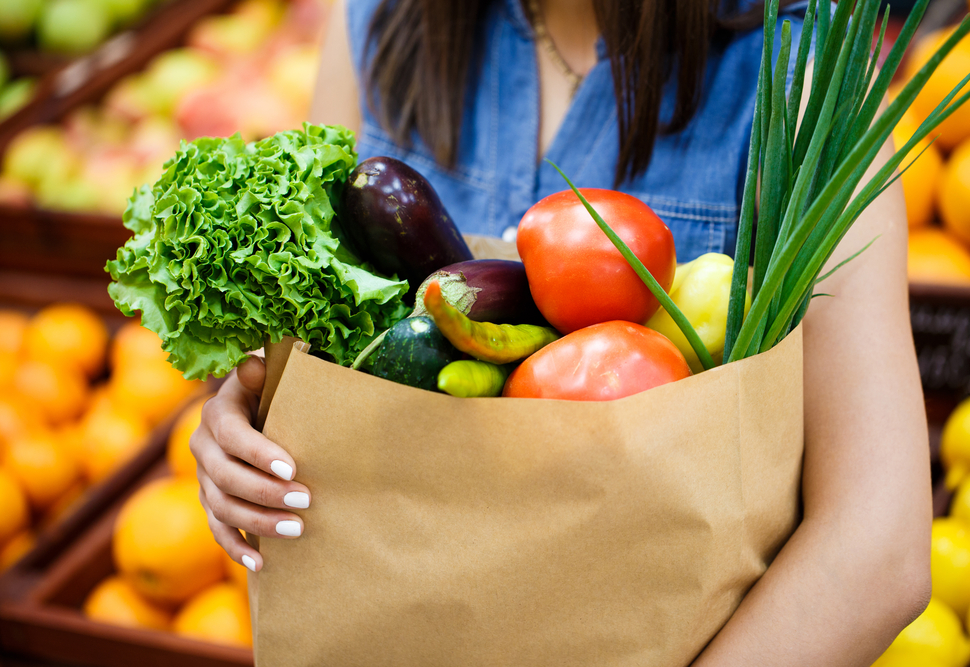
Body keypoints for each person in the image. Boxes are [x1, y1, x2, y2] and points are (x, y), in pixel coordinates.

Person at [190, 0, 932, 663]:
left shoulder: (803, 71)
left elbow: (877, 545)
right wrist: (244, 422)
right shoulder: (377, 22)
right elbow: (313, 350)